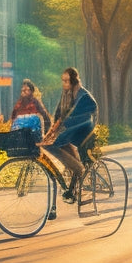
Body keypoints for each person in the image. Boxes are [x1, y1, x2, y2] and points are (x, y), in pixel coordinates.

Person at [41, 67, 98, 203]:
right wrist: (51, 131)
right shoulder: (66, 94)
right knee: (54, 143)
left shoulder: (82, 95)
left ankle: (78, 168)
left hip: (84, 129)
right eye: (63, 81)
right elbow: (59, 113)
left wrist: (58, 130)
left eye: (67, 81)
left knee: (53, 145)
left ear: (73, 81)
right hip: (73, 129)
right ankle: (72, 187)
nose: (64, 83)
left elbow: (77, 114)